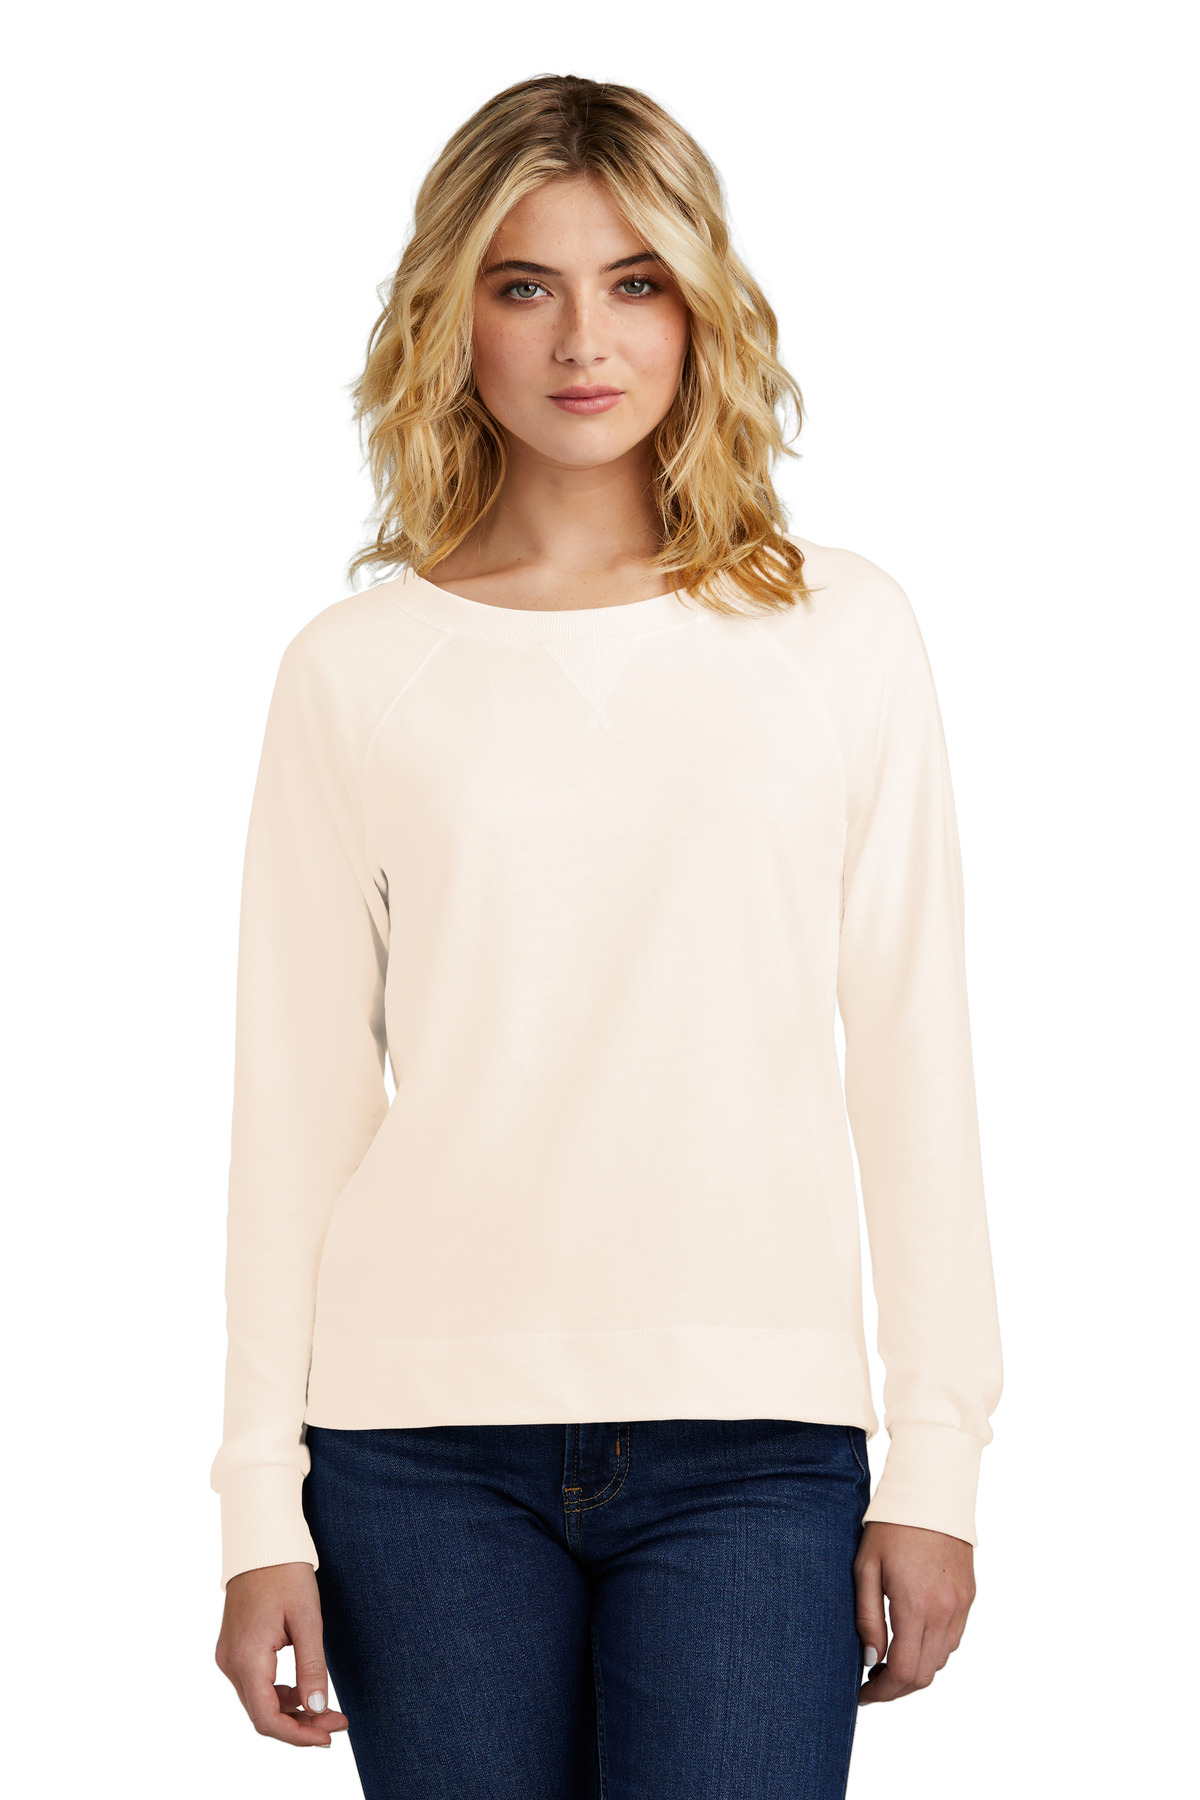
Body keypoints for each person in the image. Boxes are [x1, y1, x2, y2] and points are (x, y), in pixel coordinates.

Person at [211, 72, 1003, 1800]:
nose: (585, 338)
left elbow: (914, 1056)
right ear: (454, 319)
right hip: (415, 1451)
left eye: (635, 281)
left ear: (701, 306)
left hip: (758, 1446)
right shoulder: (356, 673)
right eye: (526, 285)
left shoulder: (839, 633)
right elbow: (296, 1106)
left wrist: (936, 1460)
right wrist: (258, 1503)